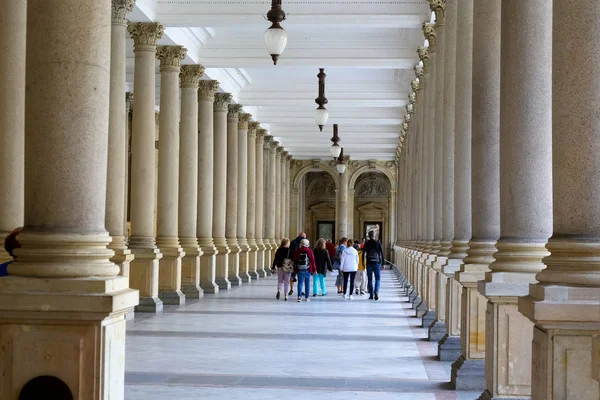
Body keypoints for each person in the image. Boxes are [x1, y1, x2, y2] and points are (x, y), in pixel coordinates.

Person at [363, 230, 384, 300]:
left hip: (369, 263)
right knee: (378, 278)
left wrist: (363, 263)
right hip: (377, 263)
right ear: (374, 235)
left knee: (370, 279)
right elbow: (382, 254)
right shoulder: (378, 243)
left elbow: (363, 254)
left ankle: (371, 295)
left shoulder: (367, 243)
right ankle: (376, 291)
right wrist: (382, 263)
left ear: (368, 236)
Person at [288, 232, 306, 296]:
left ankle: (291, 289)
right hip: (301, 262)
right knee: (301, 277)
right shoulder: (303, 242)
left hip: (293, 261)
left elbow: (290, 251)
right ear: (303, 236)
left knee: (292, 276)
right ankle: (300, 291)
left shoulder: (293, 242)